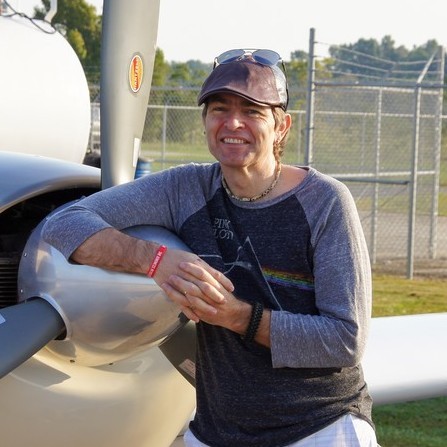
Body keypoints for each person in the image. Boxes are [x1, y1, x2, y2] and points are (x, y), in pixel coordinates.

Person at [42, 49, 377, 447]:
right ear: (205, 121)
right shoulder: (184, 188)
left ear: (281, 126)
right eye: (219, 109)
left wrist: (238, 317)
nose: (232, 123)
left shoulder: (325, 202)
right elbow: (63, 223)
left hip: (320, 427)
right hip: (215, 431)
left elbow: (344, 340)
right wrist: (156, 260)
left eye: (252, 111)